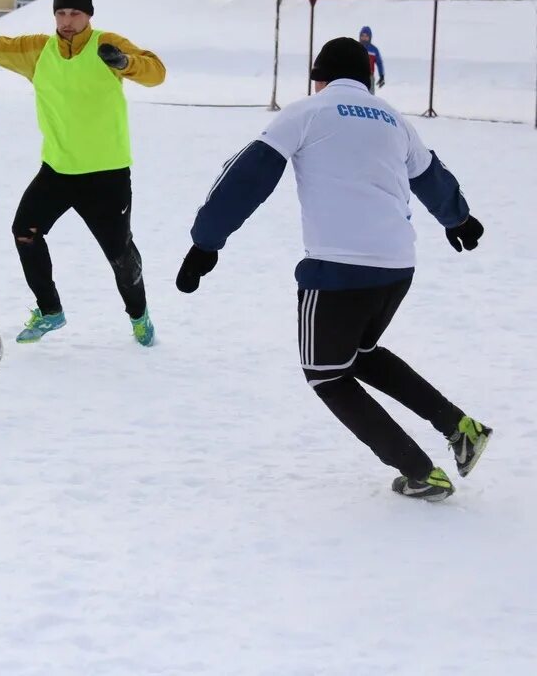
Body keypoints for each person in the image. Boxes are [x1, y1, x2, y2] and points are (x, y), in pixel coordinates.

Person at [176, 37, 492, 501]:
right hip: (398, 266)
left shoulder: (308, 112)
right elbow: (432, 177)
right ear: (367, 80)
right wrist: (458, 218)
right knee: (359, 351)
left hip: (338, 269)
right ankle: (459, 427)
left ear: (319, 78)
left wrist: (206, 244)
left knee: (326, 373)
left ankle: (420, 471)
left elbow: (246, 178)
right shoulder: (393, 119)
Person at [0, 0, 165, 346]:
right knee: (25, 231)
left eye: (75, 13)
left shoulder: (107, 44)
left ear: (88, 15)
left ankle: (139, 316)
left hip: (107, 174)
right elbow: (2, 48)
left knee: (120, 256)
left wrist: (125, 62)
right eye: (61, 13)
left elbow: (155, 71)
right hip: (57, 171)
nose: (67, 20)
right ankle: (50, 310)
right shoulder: (41, 50)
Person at [359, 26, 385, 92]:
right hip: (357, 76)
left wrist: (381, 76)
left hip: (370, 77)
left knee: (370, 95)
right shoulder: (356, 47)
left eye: (366, 36)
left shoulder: (374, 50)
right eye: (362, 35)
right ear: (360, 36)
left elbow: (379, 63)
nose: (364, 38)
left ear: (370, 37)